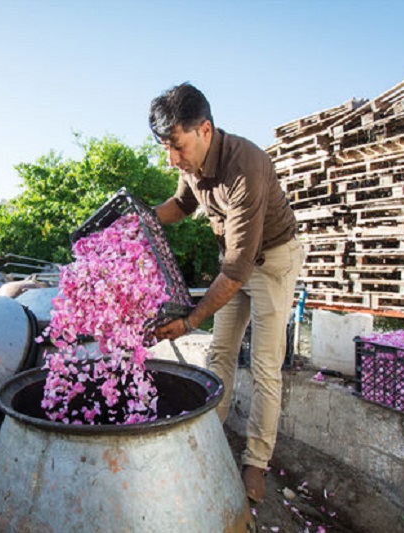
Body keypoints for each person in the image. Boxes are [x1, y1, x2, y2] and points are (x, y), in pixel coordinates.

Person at [149, 82, 305, 503]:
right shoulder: (189, 164)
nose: (172, 159)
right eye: (166, 148)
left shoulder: (245, 166)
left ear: (204, 129)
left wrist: (189, 320)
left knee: (266, 366)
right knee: (220, 353)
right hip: (235, 266)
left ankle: (255, 463)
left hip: (272, 262)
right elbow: (180, 206)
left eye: (177, 146)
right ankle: (209, 438)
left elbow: (237, 270)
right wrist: (142, 220)